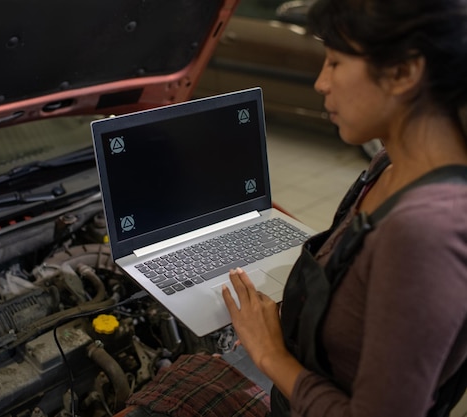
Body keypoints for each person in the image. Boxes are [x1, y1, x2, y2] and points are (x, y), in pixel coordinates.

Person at [125, 0, 467, 416]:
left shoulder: (427, 233)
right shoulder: (389, 163)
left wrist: (270, 353)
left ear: (403, 72)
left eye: (336, 62)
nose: (321, 83)